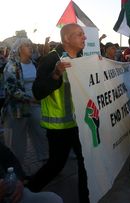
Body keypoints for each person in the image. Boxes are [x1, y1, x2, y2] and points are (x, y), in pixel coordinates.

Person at [26, 23, 89, 203]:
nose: (84, 37)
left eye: (84, 34)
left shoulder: (83, 58)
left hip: (80, 123)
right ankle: (24, 193)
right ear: (67, 39)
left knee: (85, 163)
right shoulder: (50, 60)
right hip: (59, 126)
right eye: (79, 34)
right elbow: (37, 92)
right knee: (55, 165)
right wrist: (55, 75)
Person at [2, 38, 48, 172]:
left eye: (30, 45)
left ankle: (45, 160)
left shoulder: (34, 64)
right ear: (19, 49)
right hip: (17, 109)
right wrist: (31, 99)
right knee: (17, 141)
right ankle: (16, 170)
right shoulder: (12, 66)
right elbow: (11, 89)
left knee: (41, 132)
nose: (31, 47)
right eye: (27, 45)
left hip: (35, 105)